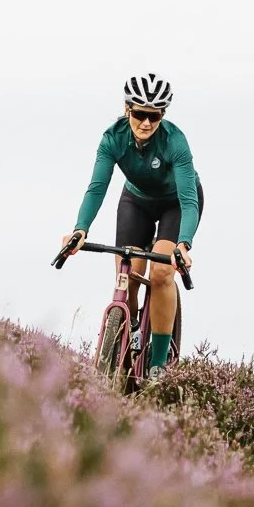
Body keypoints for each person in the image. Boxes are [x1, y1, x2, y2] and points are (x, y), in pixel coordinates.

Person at [60, 72, 202, 381]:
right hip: (136, 201)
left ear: (162, 116)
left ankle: (159, 365)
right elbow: (96, 188)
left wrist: (183, 244)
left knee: (162, 272)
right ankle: (130, 333)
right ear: (128, 110)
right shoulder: (112, 138)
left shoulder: (175, 142)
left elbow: (189, 201)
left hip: (175, 203)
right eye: (140, 114)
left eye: (154, 116)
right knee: (128, 270)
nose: (146, 123)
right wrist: (80, 229)